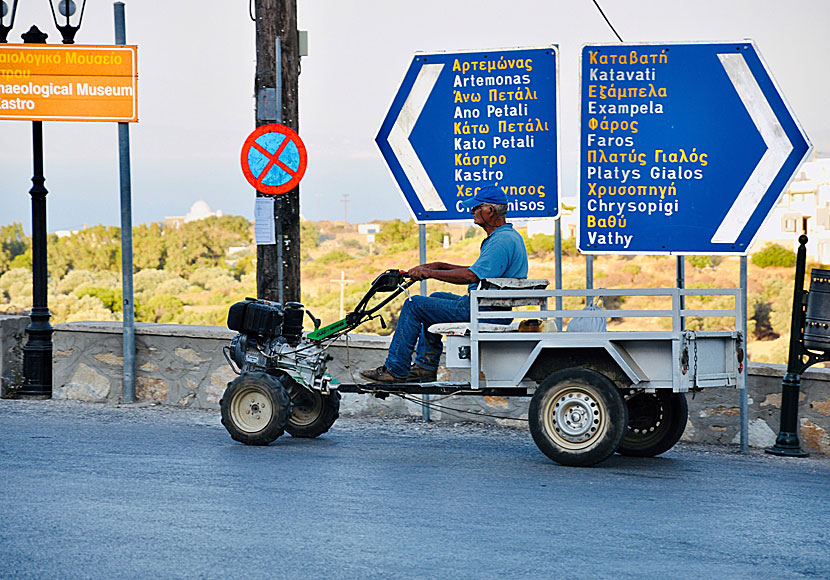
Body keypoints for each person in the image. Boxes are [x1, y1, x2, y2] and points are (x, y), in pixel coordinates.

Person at [360, 185, 528, 383]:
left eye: (475, 208)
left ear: (489, 211)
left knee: (414, 304)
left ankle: (395, 369)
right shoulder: (506, 237)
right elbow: (481, 272)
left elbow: (471, 276)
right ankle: (425, 366)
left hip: (483, 311)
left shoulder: (500, 241)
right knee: (436, 299)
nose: (471, 212)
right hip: (488, 308)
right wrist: (441, 266)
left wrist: (430, 273)